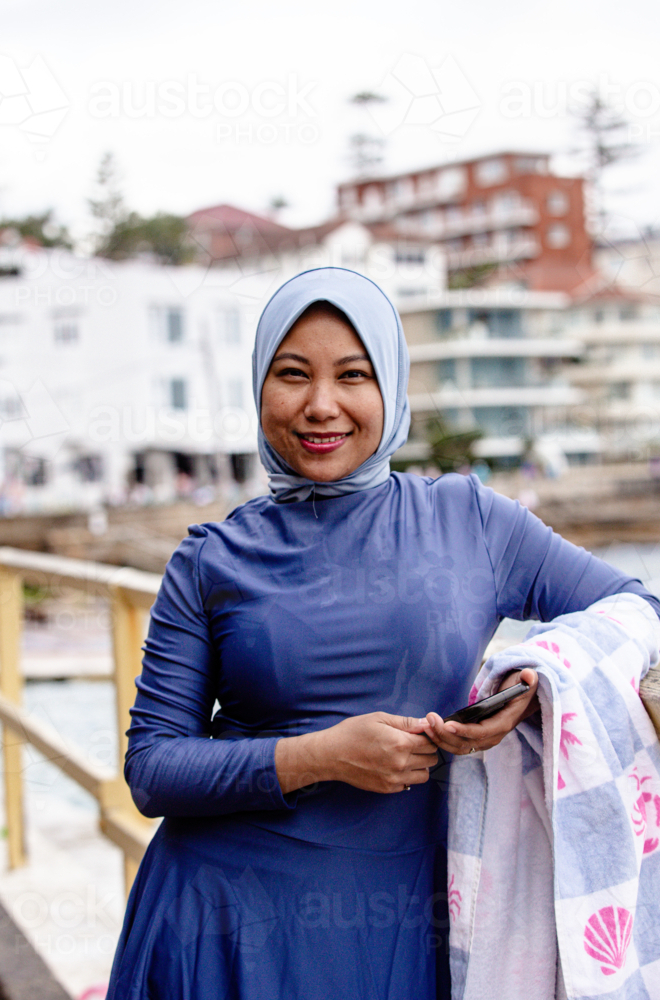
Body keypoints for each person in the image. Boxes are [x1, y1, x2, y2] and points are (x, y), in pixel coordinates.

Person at [106, 268, 660, 1000]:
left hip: (407, 923)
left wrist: (532, 683)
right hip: (220, 924)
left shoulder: (470, 520)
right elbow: (152, 768)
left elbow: (634, 605)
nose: (320, 405)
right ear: (259, 386)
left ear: (391, 384)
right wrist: (317, 757)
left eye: (352, 375)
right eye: (292, 374)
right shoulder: (210, 558)